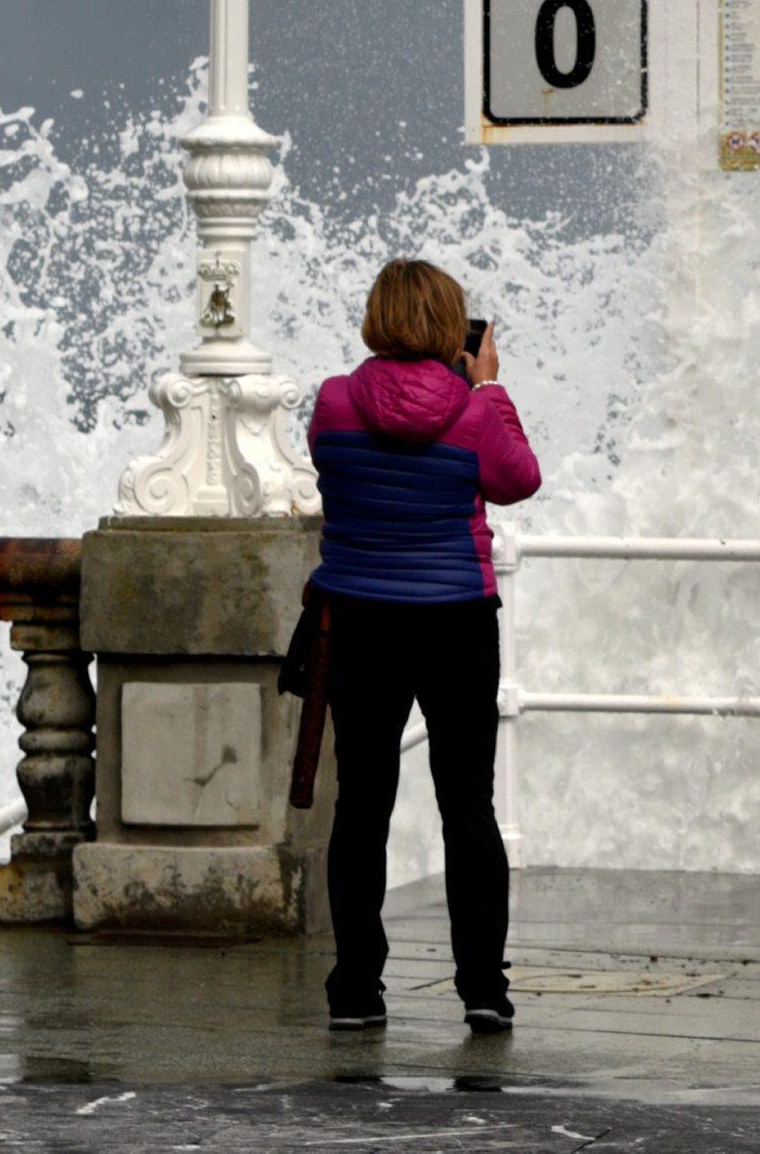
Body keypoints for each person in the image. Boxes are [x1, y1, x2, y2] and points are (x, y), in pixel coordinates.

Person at [306, 256, 540, 1033]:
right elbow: (519, 480)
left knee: (363, 803)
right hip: (455, 623)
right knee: (466, 804)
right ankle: (482, 988)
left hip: (362, 623)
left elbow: (335, 476)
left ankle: (354, 989)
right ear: (452, 328)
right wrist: (488, 387)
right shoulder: (475, 412)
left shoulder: (335, 405)